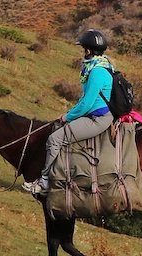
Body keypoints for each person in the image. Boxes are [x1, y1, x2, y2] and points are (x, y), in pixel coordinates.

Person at [23, 28, 117, 195]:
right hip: (93, 115)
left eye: (83, 49)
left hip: (98, 118)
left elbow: (87, 103)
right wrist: (69, 114)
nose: (83, 53)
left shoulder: (97, 72)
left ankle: (44, 182)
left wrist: (68, 116)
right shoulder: (100, 66)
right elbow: (85, 100)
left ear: (88, 50)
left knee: (54, 139)